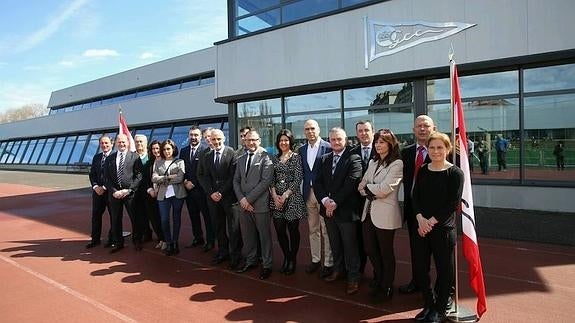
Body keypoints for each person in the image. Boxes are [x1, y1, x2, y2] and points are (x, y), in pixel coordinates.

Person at [412, 132, 463, 323]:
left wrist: (430, 222)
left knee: (444, 271)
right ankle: (429, 304)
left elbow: (452, 203)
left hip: (442, 229)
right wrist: (419, 219)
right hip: (421, 227)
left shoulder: (455, 173)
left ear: (447, 149)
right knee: (420, 268)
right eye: (432, 147)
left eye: (440, 147)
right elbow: (415, 196)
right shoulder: (423, 170)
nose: (435, 151)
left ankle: (440, 309)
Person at [314, 127, 363, 295]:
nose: (336, 142)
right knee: (334, 243)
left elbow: (351, 182)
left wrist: (334, 202)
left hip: (346, 211)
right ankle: (338, 270)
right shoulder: (324, 159)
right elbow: (317, 182)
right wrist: (325, 201)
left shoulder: (354, 157)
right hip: (328, 210)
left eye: (339, 139)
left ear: (346, 139)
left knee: (350, 246)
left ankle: (353, 277)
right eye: (333, 139)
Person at [358, 128, 403, 303]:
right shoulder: (373, 162)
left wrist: (369, 188)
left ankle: (387, 285)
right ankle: (379, 278)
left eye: (382, 141)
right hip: (368, 211)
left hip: (386, 214)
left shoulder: (397, 164)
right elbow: (361, 184)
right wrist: (370, 190)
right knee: (370, 248)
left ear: (390, 144)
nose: (378, 145)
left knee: (386, 251)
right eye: (376, 141)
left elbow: (385, 189)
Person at [399, 115, 435, 294]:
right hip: (413, 210)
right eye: (418, 126)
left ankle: (442, 290)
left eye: (426, 125)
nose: (422, 129)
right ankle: (418, 282)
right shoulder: (406, 152)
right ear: (413, 130)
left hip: (435, 214)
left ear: (433, 128)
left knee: (439, 254)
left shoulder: (443, 149)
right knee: (417, 251)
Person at [197, 129, 242, 269]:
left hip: (229, 197)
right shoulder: (207, 155)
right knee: (218, 227)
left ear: (224, 138)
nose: (216, 142)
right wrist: (211, 192)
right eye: (213, 139)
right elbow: (202, 175)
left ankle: (236, 256)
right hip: (212, 198)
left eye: (218, 139)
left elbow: (233, 176)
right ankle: (223, 252)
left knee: (234, 228)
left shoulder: (232, 153)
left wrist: (220, 192)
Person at [233, 130, 274, 280]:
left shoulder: (266, 157)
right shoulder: (241, 158)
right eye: (248, 140)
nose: (251, 143)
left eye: (254, 140)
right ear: (244, 141)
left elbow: (265, 182)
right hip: (243, 205)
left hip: (260, 204)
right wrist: (242, 199)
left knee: (264, 236)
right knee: (248, 235)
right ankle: (251, 261)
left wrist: (248, 199)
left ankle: (267, 264)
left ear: (259, 140)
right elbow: (236, 181)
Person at [298, 119, 334, 278]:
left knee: (326, 230)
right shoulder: (301, 149)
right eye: (307, 129)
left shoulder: (328, 146)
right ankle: (315, 259)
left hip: (324, 195)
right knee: (312, 229)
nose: (310, 131)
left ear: (319, 129)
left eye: (312, 128)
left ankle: (328, 263)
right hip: (308, 194)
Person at [269, 129, 306, 275]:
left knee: (293, 230)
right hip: (276, 199)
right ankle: (286, 257)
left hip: (292, 198)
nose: (283, 143)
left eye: (286, 140)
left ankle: (292, 260)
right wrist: (274, 196)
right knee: (279, 230)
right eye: (281, 140)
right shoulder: (274, 158)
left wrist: (285, 195)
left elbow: (298, 179)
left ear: (290, 141)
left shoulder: (296, 157)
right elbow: (271, 179)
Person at [103, 134, 143, 253]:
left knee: (134, 218)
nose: (121, 144)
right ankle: (118, 242)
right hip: (115, 194)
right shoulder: (110, 158)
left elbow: (139, 176)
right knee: (115, 219)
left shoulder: (134, 157)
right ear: (116, 143)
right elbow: (106, 177)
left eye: (124, 142)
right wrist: (114, 191)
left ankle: (137, 241)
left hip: (129, 194)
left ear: (127, 143)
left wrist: (129, 190)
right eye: (119, 142)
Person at [180, 126, 214, 251]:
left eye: (196, 135)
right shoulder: (183, 151)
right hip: (188, 191)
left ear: (200, 137)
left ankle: (210, 241)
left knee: (207, 217)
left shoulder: (205, 150)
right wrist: (184, 181)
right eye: (191, 135)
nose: (193, 137)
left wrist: (193, 182)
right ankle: (197, 238)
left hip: (201, 191)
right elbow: (181, 169)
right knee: (193, 216)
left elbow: (205, 172)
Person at [349, 120, 375, 275]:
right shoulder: (352, 152)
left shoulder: (381, 151)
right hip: (356, 203)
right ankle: (359, 270)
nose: (363, 133)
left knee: (374, 242)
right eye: (360, 131)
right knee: (359, 240)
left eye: (366, 130)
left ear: (372, 131)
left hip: (376, 202)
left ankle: (378, 274)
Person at [152, 139, 186, 256]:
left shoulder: (180, 161)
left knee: (176, 218)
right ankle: (168, 241)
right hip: (163, 195)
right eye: (164, 149)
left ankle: (175, 242)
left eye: (168, 149)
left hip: (178, 195)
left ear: (173, 149)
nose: (166, 151)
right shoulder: (158, 163)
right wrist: (169, 177)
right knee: (164, 219)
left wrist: (163, 178)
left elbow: (180, 178)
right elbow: (154, 178)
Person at [134, 134, 163, 245]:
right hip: (139, 192)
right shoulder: (132, 156)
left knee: (157, 217)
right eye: (137, 142)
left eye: (141, 141)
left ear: (146, 143)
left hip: (154, 193)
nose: (139, 144)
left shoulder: (151, 159)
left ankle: (163, 237)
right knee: (141, 216)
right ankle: (146, 234)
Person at [86, 135, 113, 249]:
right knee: (96, 216)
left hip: (111, 192)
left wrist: (105, 187)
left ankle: (112, 239)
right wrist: (96, 186)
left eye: (106, 143)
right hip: (97, 193)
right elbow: (92, 174)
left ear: (111, 143)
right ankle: (95, 240)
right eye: (102, 143)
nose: (104, 145)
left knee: (114, 216)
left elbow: (115, 176)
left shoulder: (115, 157)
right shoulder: (96, 157)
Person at [143, 140, 166, 250]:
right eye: (153, 149)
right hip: (151, 195)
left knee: (163, 219)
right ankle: (160, 239)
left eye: (157, 148)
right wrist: (150, 190)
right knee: (154, 219)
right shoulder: (149, 164)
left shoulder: (166, 161)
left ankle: (166, 239)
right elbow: (145, 180)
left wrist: (159, 190)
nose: (155, 151)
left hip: (164, 195)